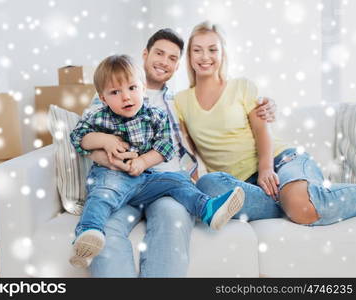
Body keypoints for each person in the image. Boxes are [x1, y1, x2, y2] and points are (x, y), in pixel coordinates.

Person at [84, 29, 276, 277]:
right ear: (145, 54)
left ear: (177, 67)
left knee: (171, 221)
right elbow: (86, 140)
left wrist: (266, 106)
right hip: (122, 181)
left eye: (173, 58)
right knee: (104, 226)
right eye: (159, 53)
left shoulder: (179, 103)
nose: (164, 61)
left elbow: (217, 125)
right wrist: (109, 159)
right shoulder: (111, 91)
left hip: (167, 186)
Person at [69, 54, 245, 267]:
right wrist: (104, 140)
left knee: (177, 181)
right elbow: (78, 137)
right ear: (103, 98)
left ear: (143, 88)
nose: (126, 97)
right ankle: (89, 233)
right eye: (115, 92)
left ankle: (207, 208)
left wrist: (143, 162)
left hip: (144, 178)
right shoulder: (99, 117)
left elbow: (165, 147)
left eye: (132, 88)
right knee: (101, 195)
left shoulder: (155, 115)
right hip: (112, 175)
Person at [175, 21, 356, 226]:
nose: (205, 57)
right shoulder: (180, 101)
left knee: (302, 209)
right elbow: (188, 152)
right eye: (197, 50)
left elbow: (262, 131)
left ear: (223, 53)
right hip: (244, 186)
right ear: (189, 56)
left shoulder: (241, 86)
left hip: (282, 160)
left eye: (212, 49)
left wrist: (266, 169)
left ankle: (295, 200)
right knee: (207, 184)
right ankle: (292, 201)